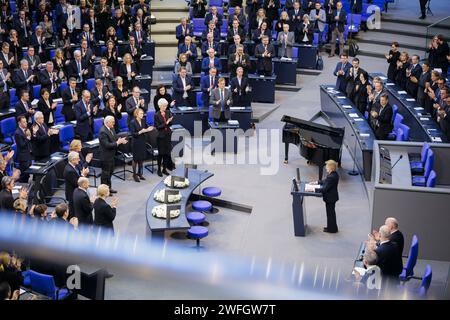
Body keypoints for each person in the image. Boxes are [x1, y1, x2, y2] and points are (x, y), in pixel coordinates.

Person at [99, 116, 128, 192]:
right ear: (107, 122)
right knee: (105, 174)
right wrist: (117, 142)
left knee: (110, 172)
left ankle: (109, 188)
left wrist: (120, 141)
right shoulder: (103, 132)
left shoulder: (111, 128)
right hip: (105, 156)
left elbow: (114, 139)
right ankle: (103, 191)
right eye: (112, 122)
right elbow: (107, 145)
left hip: (111, 155)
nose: (114, 123)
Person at [313, 159, 339, 233]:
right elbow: (325, 181)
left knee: (330, 214)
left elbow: (324, 189)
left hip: (330, 198)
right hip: (332, 197)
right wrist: (317, 182)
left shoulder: (331, 177)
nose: (326, 168)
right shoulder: (334, 174)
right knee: (331, 214)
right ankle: (331, 227)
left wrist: (313, 189)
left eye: (327, 166)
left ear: (330, 167)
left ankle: (332, 229)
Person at [130, 108, 154, 182]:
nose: (142, 115)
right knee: (135, 159)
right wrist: (140, 132)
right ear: (136, 114)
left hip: (142, 141)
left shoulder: (143, 120)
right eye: (141, 113)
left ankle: (140, 173)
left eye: (143, 113)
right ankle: (134, 175)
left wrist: (149, 128)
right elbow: (133, 134)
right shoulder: (132, 122)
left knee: (141, 158)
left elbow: (146, 128)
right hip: (136, 142)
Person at [64, 151, 89, 218]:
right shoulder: (69, 170)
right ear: (73, 160)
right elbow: (77, 183)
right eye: (78, 158)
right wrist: (83, 174)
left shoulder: (75, 166)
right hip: (72, 194)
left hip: (75, 192)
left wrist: (82, 174)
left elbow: (78, 176)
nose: (79, 160)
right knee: (73, 212)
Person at [154, 98, 174, 177]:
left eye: (166, 106)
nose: (165, 107)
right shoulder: (156, 115)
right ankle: (159, 169)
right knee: (161, 154)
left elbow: (171, 123)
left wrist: (170, 121)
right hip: (161, 136)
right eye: (163, 106)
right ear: (159, 106)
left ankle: (164, 168)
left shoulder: (168, 112)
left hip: (168, 135)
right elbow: (158, 127)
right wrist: (167, 122)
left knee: (167, 153)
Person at [14, 116, 32, 182]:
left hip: (28, 154)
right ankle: (22, 187)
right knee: (24, 174)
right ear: (19, 123)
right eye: (24, 122)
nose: (26, 123)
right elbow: (22, 145)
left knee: (27, 173)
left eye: (26, 121)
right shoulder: (17, 133)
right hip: (23, 156)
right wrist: (28, 137)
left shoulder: (26, 129)